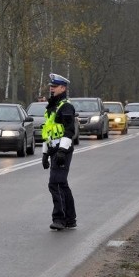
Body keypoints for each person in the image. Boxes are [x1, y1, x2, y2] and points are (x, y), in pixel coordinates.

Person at [41, 73, 77, 230]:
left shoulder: (66, 107)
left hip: (63, 149)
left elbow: (69, 130)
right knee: (61, 184)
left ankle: (59, 219)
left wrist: (62, 150)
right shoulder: (52, 107)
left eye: (54, 87)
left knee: (55, 183)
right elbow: (48, 131)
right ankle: (70, 219)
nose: (51, 89)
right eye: (51, 87)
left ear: (63, 88)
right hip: (54, 149)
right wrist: (44, 153)